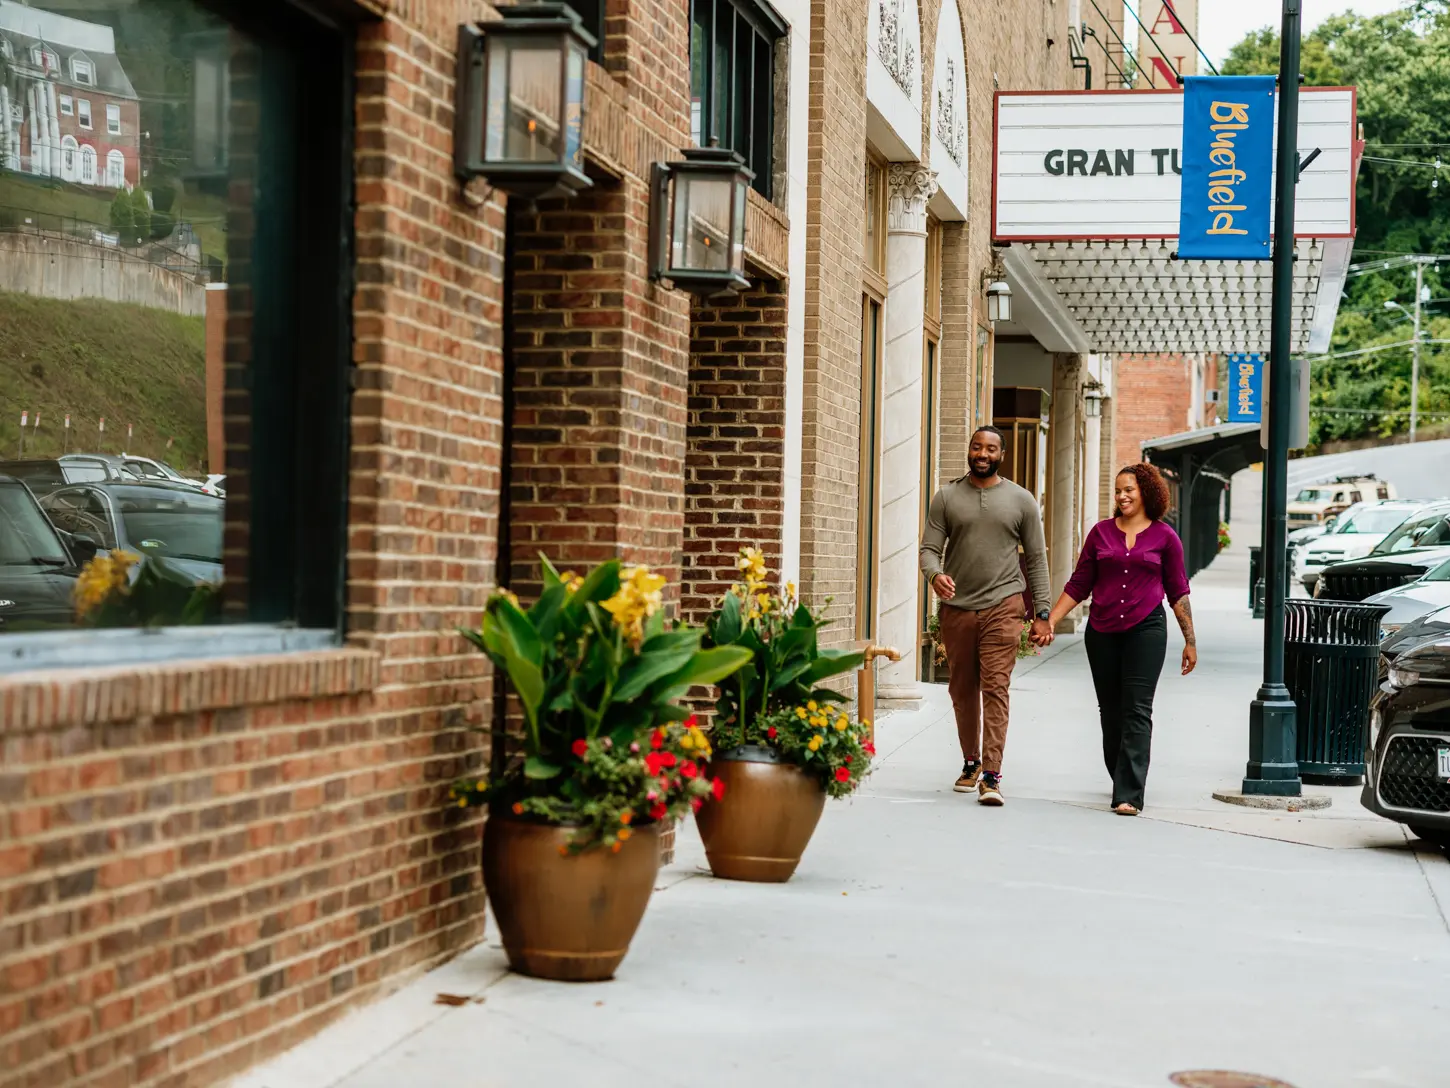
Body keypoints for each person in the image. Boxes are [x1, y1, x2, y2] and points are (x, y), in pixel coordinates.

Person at [1044, 463, 1197, 816]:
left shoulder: (1165, 538)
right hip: (1102, 633)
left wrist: (1190, 640)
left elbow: (1178, 592)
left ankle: (1128, 793)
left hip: (1147, 630)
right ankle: (1122, 775)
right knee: (1110, 712)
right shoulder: (1100, 534)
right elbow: (1079, 585)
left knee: (1137, 710)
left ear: (1146, 492)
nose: (1122, 496)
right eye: (1118, 491)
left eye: (1129, 489)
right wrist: (1050, 620)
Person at [920, 426, 1052, 806]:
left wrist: (1041, 612)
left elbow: (1037, 558)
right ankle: (971, 760)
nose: (982, 453)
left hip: (1004, 605)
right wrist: (935, 575)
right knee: (962, 688)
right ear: (969, 451)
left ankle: (992, 775)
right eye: (976, 447)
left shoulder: (1021, 500)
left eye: (990, 448)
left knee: (996, 687)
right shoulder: (946, 497)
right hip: (958, 608)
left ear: (1001, 454)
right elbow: (929, 549)